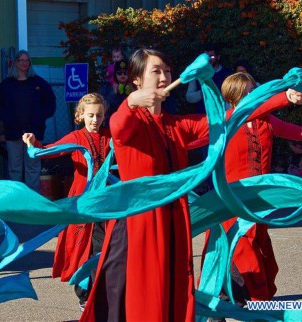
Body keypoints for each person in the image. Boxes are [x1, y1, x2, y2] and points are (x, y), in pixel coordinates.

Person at [81, 48, 210, 321]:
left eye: (167, 71)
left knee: (173, 293)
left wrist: (278, 96)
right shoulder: (130, 120)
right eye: (156, 71)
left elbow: (225, 120)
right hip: (139, 225)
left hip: (173, 221)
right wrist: (131, 101)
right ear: (137, 79)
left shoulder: (176, 124)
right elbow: (118, 127)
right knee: (138, 298)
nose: (164, 77)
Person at [202, 72, 302, 309]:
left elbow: (300, 133)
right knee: (244, 256)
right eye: (247, 92)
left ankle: (239, 303)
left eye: (254, 90)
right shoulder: (226, 120)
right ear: (234, 96)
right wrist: (285, 95)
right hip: (232, 202)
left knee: (264, 258)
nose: (253, 95)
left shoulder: (267, 121)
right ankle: (249, 306)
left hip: (259, 203)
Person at [22, 93, 111, 312]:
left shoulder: (110, 136)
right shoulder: (76, 137)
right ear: (81, 115)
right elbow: (51, 151)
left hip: (105, 202)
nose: (95, 119)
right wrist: (34, 144)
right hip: (81, 202)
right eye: (90, 115)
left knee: (104, 246)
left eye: (99, 115)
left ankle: (101, 291)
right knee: (81, 247)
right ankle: (84, 296)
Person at [0, 50, 56, 192]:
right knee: (15, 168)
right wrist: (7, 121)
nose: (24, 63)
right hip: (13, 133)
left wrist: (41, 118)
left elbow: (50, 102)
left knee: (33, 167)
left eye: (27, 60)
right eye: (21, 60)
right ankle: (17, 198)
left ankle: (32, 199)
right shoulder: (6, 85)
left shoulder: (39, 83)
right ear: (16, 62)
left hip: (34, 134)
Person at [185, 43, 232, 114]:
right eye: (206, 57)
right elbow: (189, 97)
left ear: (218, 57)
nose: (208, 59)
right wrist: (204, 92)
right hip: (202, 116)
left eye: (212, 56)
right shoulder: (197, 74)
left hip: (223, 115)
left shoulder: (228, 74)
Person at [104, 59, 130, 128]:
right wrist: (114, 93)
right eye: (119, 73)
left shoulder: (133, 86)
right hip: (113, 123)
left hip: (129, 122)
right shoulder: (108, 86)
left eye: (125, 73)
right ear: (115, 74)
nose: (122, 75)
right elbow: (105, 106)